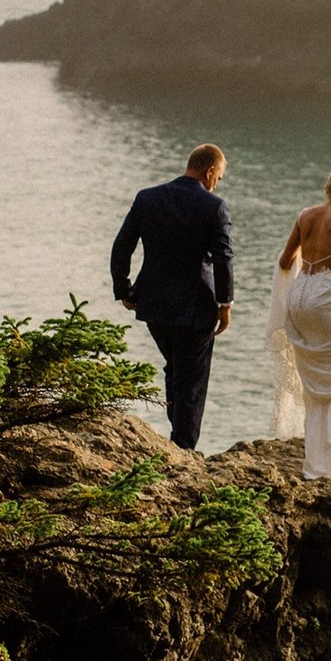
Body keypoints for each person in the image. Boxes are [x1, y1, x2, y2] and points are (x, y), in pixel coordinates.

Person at [111, 143, 234, 451]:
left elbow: (122, 245)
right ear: (209, 172)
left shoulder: (148, 198)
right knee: (191, 380)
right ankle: (183, 450)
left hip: (154, 304)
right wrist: (225, 303)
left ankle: (177, 438)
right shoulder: (214, 206)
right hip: (196, 308)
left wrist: (123, 288)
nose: (217, 183)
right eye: (218, 176)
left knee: (176, 368)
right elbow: (223, 258)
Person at [268, 166, 331, 480]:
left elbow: (286, 261)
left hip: (299, 298)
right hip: (327, 297)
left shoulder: (305, 215)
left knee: (315, 383)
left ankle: (315, 462)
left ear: (328, 189)